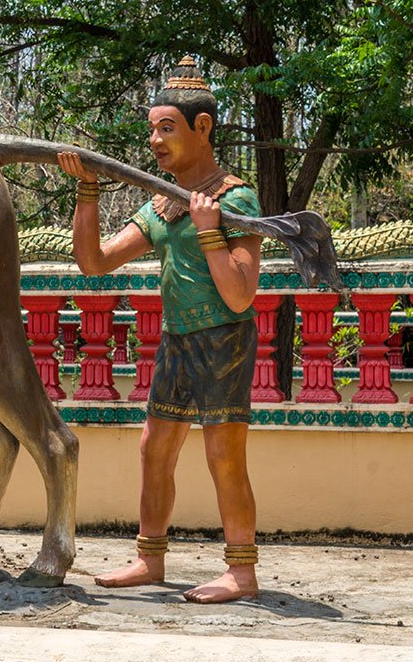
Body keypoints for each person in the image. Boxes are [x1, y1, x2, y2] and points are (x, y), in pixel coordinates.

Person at [58, 60, 263, 604]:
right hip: (177, 338)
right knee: (155, 449)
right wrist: (88, 194)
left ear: (203, 129)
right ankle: (150, 558)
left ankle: (241, 572)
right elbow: (94, 262)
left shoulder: (235, 199)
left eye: (166, 128)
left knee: (224, 455)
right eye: (152, 129)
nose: (155, 140)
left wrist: (209, 231)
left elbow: (241, 294)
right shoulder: (161, 202)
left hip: (224, 338)